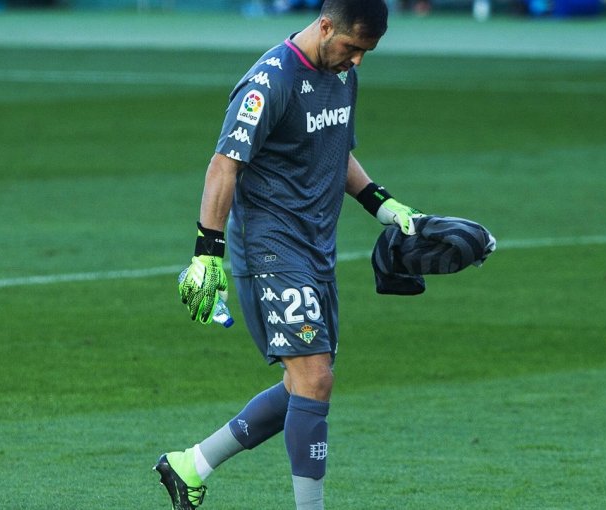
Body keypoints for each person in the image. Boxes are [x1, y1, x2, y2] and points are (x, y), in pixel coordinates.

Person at [153, 1, 424, 508]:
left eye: (367, 52)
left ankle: (190, 464)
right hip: (271, 248)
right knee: (315, 377)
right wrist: (206, 254)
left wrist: (381, 204)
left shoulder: (342, 73)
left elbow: (334, 149)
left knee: (304, 385)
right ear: (325, 26)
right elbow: (223, 165)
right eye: (352, 47)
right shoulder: (269, 81)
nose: (358, 61)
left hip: (317, 247)